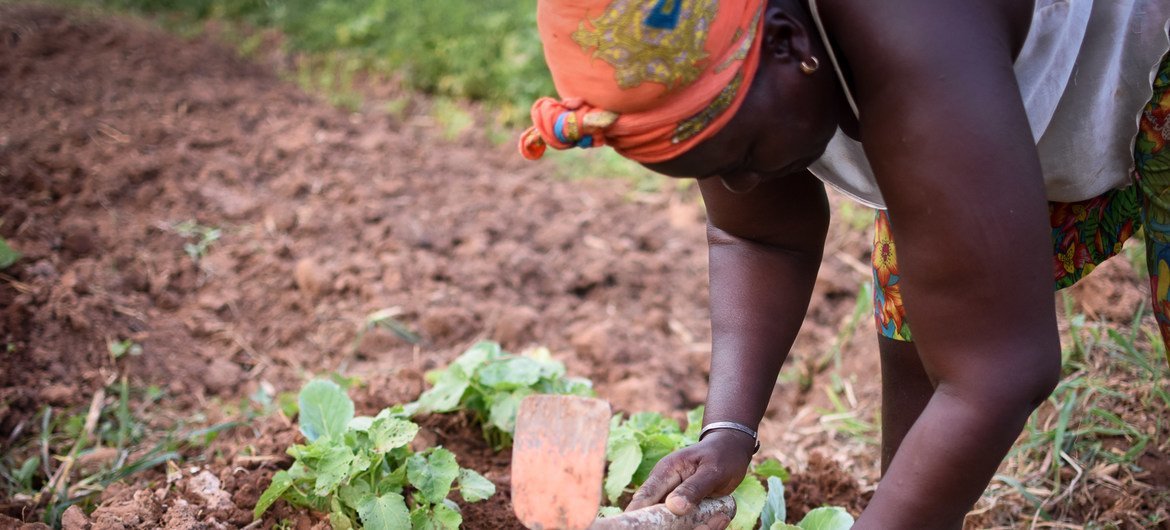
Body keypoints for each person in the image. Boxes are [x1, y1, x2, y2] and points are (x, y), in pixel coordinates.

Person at [519, 0, 1170, 528]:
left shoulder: (912, 30)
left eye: (739, 154)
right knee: (914, 311)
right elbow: (759, 237)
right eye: (713, 173)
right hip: (989, 105)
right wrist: (728, 431)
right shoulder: (734, 57)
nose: (741, 186)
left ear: (786, 41)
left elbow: (997, 373)